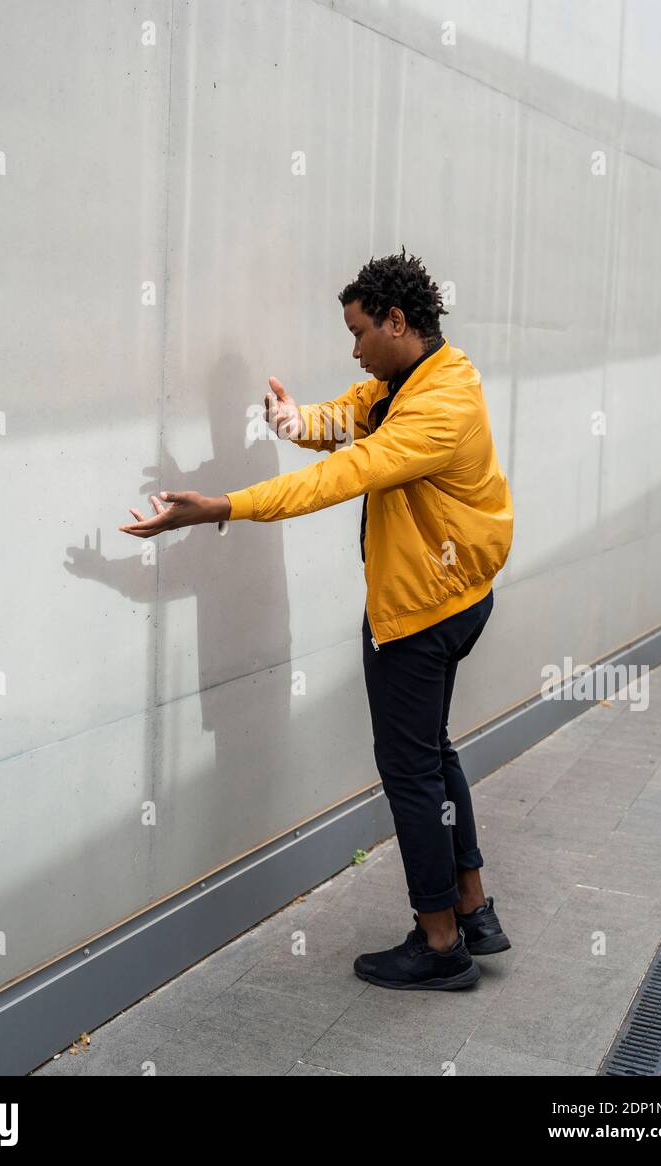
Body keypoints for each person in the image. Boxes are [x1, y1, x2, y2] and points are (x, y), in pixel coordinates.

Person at [119, 247, 514, 991]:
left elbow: (344, 474)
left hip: (422, 614)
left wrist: (223, 506)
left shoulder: (435, 408)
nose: (354, 348)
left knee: (409, 770)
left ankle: (439, 945)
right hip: (455, 594)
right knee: (433, 754)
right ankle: (472, 909)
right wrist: (293, 420)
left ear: (398, 321)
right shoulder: (421, 375)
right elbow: (342, 421)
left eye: (360, 332)